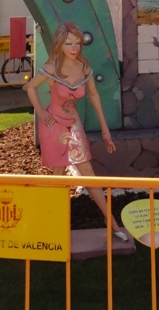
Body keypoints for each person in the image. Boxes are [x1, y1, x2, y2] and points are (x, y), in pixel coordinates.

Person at [23, 22, 128, 241]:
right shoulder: (52, 68)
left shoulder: (84, 68)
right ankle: (54, 226)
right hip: (53, 125)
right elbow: (30, 86)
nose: (74, 47)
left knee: (89, 173)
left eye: (77, 43)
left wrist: (105, 129)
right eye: (68, 43)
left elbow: (94, 95)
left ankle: (113, 224)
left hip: (74, 124)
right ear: (59, 44)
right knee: (58, 175)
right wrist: (40, 112)